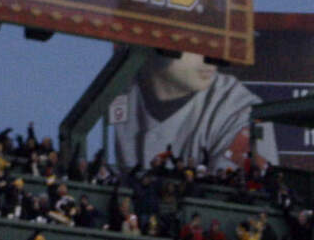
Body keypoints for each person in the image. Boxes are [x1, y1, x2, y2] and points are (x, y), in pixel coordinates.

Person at [107, 52, 278, 173]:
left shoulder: (242, 109)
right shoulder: (117, 87)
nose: (211, 56)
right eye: (195, 42)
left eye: (215, 40)